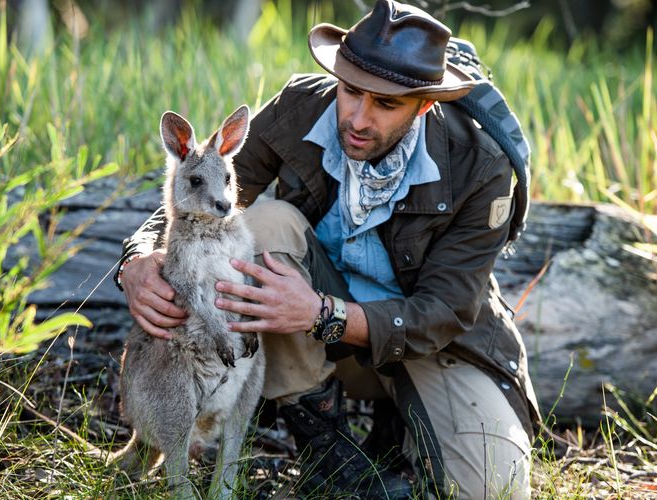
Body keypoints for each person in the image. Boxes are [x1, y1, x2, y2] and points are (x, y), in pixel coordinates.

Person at [115, 1, 540, 498]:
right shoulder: (301, 107)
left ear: (424, 104)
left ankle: (400, 431)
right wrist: (139, 258)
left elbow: (445, 310)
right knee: (266, 225)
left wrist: (322, 313)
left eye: (386, 104)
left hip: (432, 342)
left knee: (496, 488)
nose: (358, 118)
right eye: (351, 91)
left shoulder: (481, 165)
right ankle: (323, 446)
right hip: (319, 340)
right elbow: (201, 197)